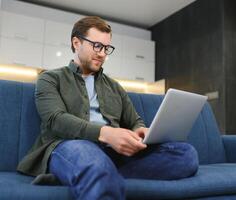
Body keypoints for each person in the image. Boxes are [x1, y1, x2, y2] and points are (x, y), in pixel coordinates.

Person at [17, 16, 199, 200]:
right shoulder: (50, 78)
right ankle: (93, 172)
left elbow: (134, 121)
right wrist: (106, 133)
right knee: (90, 159)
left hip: (114, 153)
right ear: (76, 42)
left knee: (185, 154)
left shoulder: (115, 87)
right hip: (68, 145)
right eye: (97, 46)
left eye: (106, 48)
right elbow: (55, 119)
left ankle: (90, 174)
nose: (102, 53)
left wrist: (140, 131)